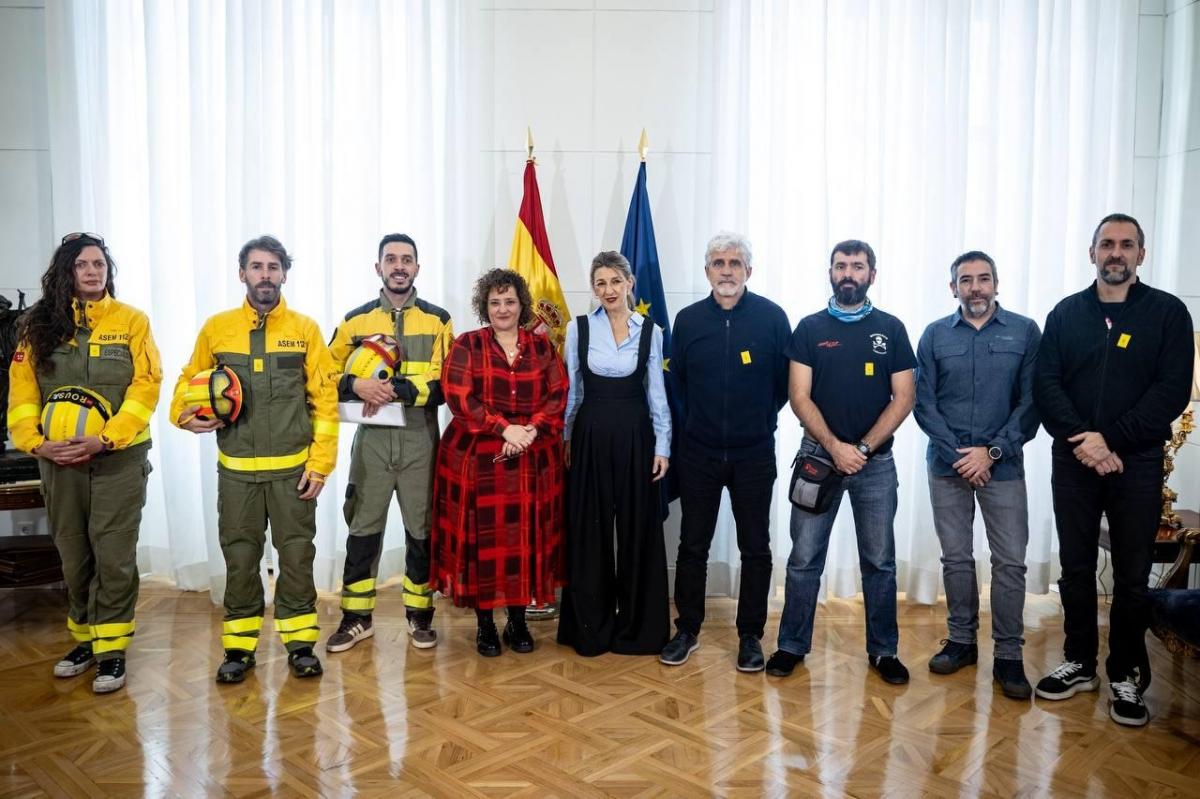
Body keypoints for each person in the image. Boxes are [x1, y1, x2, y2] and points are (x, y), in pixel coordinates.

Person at [1033, 213, 1194, 726]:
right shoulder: (1066, 314)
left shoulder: (1167, 314)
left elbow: (1171, 389)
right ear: (1092, 253)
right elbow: (1046, 384)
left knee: (1132, 574)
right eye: (1107, 244)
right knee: (1076, 568)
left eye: (1126, 244)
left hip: (1138, 461)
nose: (1116, 253)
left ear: (1141, 254)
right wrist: (1087, 441)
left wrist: (1112, 439)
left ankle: (1125, 673)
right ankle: (1079, 662)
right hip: (1074, 458)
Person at [171, 235, 338, 683]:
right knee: (240, 559)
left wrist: (321, 464)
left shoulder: (305, 330)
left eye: (273, 267)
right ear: (241, 273)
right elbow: (188, 381)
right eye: (257, 267)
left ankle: (300, 646)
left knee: (297, 558)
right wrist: (185, 416)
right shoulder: (217, 329)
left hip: (292, 474)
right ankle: (239, 649)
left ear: (284, 274)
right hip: (238, 475)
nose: (265, 275)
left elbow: (324, 401)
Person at [8, 233, 162, 694]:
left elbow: (147, 386)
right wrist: (37, 444)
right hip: (60, 462)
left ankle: (112, 651)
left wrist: (106, 439)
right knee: (74, 554)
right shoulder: (37, 326)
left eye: (99, 264)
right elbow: (22, 391)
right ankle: (85, 641)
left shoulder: (131, 321)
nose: (93, 272)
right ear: (66, 272)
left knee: (114, 555)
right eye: (82, 265)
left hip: (118, 459)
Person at [767, 240, 916, 684]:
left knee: (880, 562)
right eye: (840, 266)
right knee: (804, 559)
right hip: (818, 460)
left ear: (872, 274)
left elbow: (904, 398)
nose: (848, 273)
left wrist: (862, 450)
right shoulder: (809, 328)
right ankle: (791, 645)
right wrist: (835, 448)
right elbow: (798, 396)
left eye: (857, 266)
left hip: (876, 465)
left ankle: (884, 651)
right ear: (830, 273)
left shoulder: (891, 328)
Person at [659, 232, 791, 672]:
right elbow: (679, 384)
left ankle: (750, 635)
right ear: (707, 271)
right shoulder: (688, 320)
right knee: (692, 545)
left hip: (754, 454)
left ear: (749, 270)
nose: (727, 271)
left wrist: (757, 421)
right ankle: (687, 629)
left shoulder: (773, 318)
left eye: (735, 263)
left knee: (756, 547)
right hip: (699, 453)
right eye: (719, 263)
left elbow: (783, 386)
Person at [914, 250, 1041, 699]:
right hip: (946, 466)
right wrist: (960, 456)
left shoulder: (1025, 332)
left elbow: (1032, 402)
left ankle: (1008, 655)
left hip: (1003, 466)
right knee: (956, 558)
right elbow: (923, 403)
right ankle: (962, 642)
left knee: (1010, 562)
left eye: (983, 278)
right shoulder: (934, 335)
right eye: (965, 280)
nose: (975, 288)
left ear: (996, 283)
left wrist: (991, 453)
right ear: (953, 288)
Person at [325, 233, 453, 653]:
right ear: (378, 267)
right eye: (391, 259)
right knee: (363, 529)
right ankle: (356, 618)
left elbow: (446, 383)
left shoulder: (438, 320)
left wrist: (397, 389)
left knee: (422, 531)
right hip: (372, 441)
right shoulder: (355, 321)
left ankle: (419, 615)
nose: (399, 266)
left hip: (420, 439)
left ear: (417, 267)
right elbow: (324, 375)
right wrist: (356, 384)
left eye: (407, 259)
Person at [429, 269, 567, 655]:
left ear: (522, 305)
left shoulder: (541, 347)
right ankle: (486, 625)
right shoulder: (467, 344)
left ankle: (518, 622)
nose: (502, 309)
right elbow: (458, 395)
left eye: (509, 301)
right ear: (484, 306)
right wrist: (505, 428)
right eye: (495, 302)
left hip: (531, 460)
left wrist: (530, 430)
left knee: (522, 542)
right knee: (484, 545)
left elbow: (558, 393)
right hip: (478, 459)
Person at [557, 251, 671, 656]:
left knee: (638, 531)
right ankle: (592, 628)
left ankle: (638, 630)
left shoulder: (651, 330)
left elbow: (657, 394)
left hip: (637, 437)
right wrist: (567, 439)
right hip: (589, 435)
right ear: (594, 288)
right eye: (600, 283)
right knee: (591, 531)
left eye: (615, 281)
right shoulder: (579, 328)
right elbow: (574, 391)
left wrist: (663, 447)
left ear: (629, 284)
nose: (608, 290)